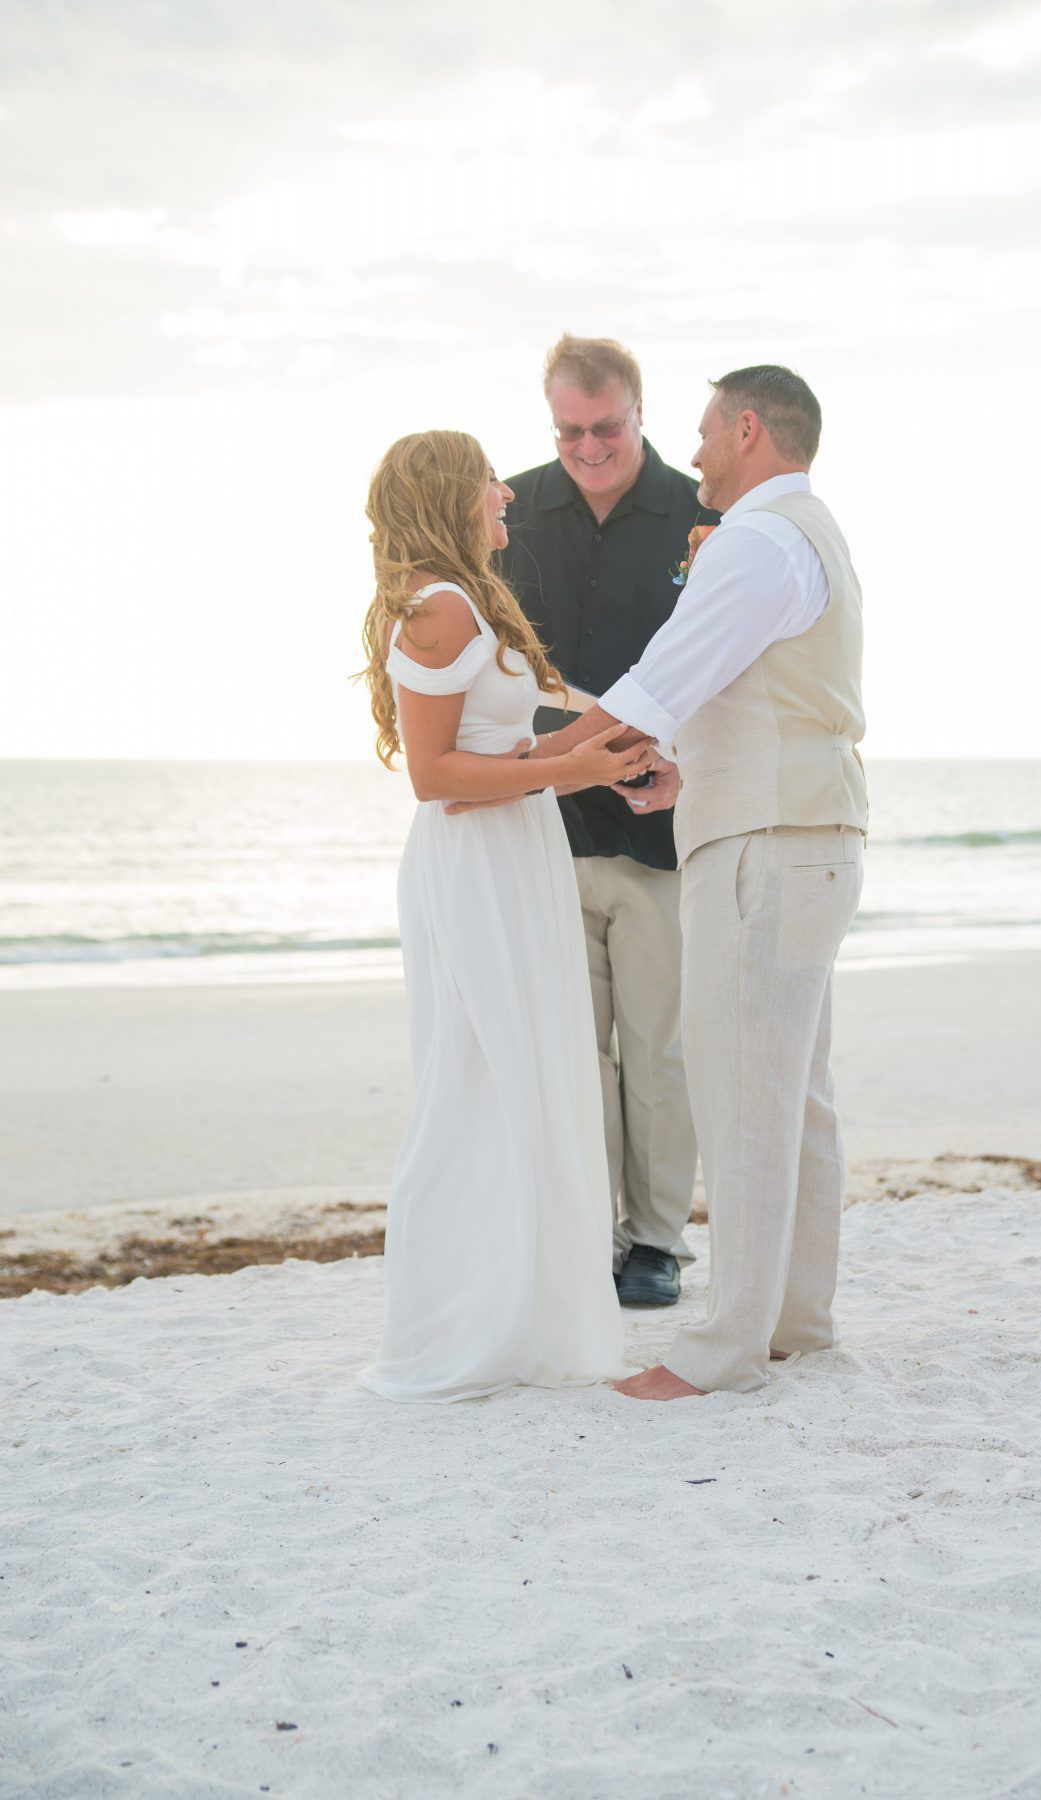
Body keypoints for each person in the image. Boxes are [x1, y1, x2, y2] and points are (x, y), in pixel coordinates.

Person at [530, 366, 868, 1399]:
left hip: (765, 849)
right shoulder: (807, 531)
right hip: (801, 831)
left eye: (706, 428)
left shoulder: (757, 541)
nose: (698, 448)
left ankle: (722, 1350)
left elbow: (657, 683)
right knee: (792, 1098)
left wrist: (524, 770)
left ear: (748, 429)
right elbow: (758, 693)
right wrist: (687, 771)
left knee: (741, 1099)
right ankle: (793, 1324)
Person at [356, 430, 652, 1403]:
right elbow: (434, 779)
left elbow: (531, 734)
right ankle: (455, 1324)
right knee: (476, 1081)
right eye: (487, 477)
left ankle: (522, 1313)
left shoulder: (471, 599)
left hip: (515, 851)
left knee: (527, 1074)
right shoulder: (435, 609)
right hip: (473, 864)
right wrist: (569, 768)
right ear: (450, 491)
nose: (505, 495)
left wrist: (641, 728)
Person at [499, 334, 718, 1308]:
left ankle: (656, 1241)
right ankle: (586, 1230)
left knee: (658, 1046)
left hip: (657, 832)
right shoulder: (505, 510)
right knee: (572, 1047)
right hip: (541, 829)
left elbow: (726, 664)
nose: (586, 447)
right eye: (568, 430)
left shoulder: (697, 515)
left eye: (606, 428)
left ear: (639, 413)